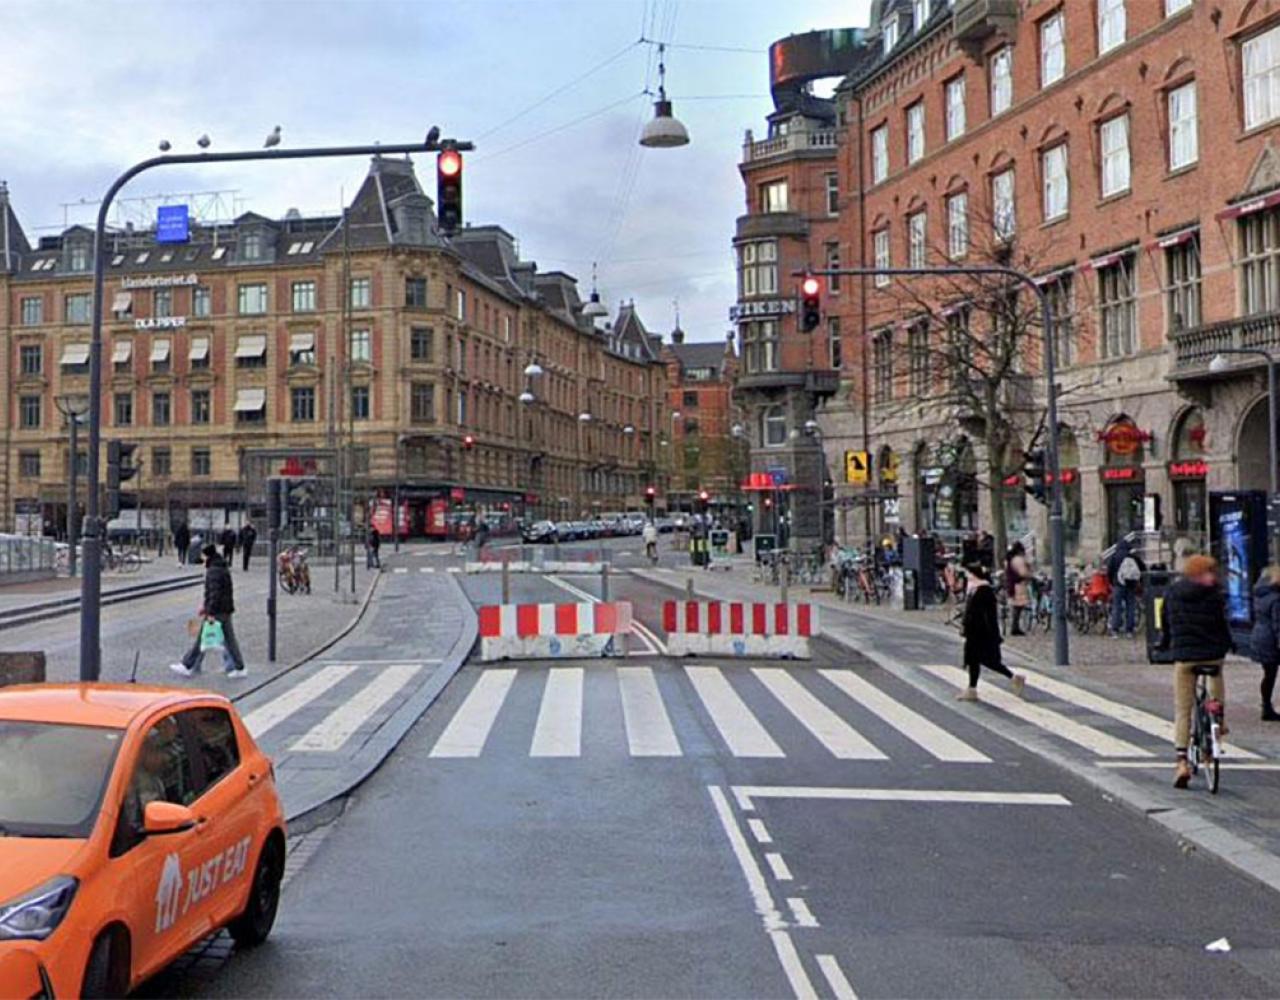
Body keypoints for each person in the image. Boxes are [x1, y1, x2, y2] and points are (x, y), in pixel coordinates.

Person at [1160, 554, 1233, 788]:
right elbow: (1222, 624)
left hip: (1185, 656)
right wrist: (1228, 644)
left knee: (1183, 710)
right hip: (1212, 654)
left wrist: (1164, 645)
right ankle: (1218, 721)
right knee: (1216, 680)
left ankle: (1181, 761)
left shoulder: (1173, 592)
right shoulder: (1215, 595)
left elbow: (1166, 623)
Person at [170, 544, 247, 680]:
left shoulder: (213, 571)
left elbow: (214, 593)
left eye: (203, 556)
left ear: (207, 556)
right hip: (225, 609)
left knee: (202, 639)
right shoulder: (221, 567)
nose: (202, 559)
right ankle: (239, 667)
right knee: (230, 640)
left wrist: (210, 611)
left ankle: (187, 665)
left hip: (217, 611)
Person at [958, 564, 1026, 702]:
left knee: (987, 661)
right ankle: (972, 689)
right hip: (974, 633)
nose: (966, 576)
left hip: (981, 634)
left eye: (968, 573)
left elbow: (986, 615)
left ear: (974, 574)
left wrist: (992, 634)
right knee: (974, 661)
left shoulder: (983, 590)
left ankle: (1014, 677)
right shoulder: (975, 589)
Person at [1250, 566, 1280, 722]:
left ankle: (1266, 705)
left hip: (1260, 637)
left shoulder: (1259, 595)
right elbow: (1278, 624)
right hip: (1271, 641)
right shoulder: (1276, 599)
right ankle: (1267, 707)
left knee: (1269, 674)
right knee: (1270, 674)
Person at [1107, 536, 1145, 638]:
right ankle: (1129, 630)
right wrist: (1139, 582)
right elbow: (1143, 569)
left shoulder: (1114, 556)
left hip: (1118, 584)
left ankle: (1115, 629)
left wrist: (1112, 582)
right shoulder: (1133, 557)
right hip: (1131, 585)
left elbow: (1109, 571)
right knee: (1131, 607)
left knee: (1117, 607)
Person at [1005, 542, 1031, 636]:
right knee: (1018, 606)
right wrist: (1029, 574)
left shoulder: (1010, 559)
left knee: (1016, 606)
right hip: (1019, 585)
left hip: (1011, 585)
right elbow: (1023, 573)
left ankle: (1015, 626)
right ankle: (1015, 627)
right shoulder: (1018, 560)